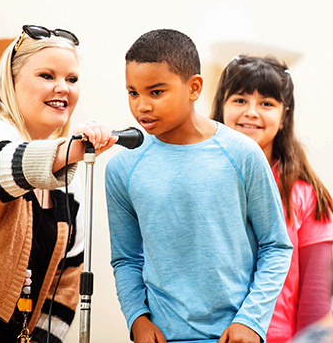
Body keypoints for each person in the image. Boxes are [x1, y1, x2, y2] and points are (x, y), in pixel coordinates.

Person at [105, 29, 293, 343]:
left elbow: (276, 246)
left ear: (194, 87)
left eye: (156, 92)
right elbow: (126, 258)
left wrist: (251, 321)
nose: (142, 106)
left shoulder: (242, 153)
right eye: (132, 93)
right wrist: (136, 317)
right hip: (163, 336)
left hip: (234, 334)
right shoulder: (122, 167)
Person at [0, 24, 117, 343]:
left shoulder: (66, 183)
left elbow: (66, 281)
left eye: (71, 79)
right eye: (47, 76)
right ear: (12, 80)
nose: (63, 88)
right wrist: (72, 150)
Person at [210, 55, 333, 342]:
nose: (251, 112)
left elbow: (314, 296)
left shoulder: (306, 195)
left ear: (284, 116)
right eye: (240, 100)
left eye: (266, 103)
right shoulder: (196, 181)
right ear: (221, 108)